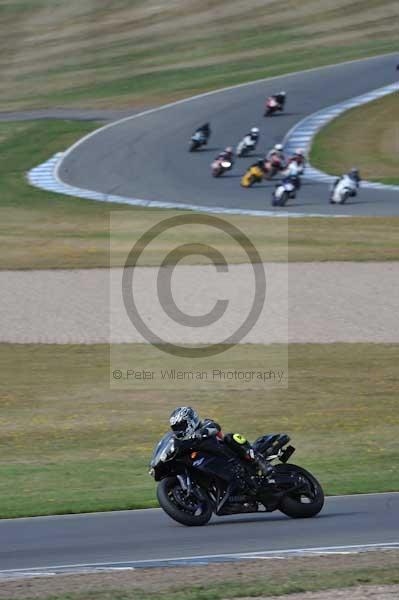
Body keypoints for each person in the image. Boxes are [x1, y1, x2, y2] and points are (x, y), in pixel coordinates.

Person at [169, 406, 273, 478]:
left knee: (231, 437)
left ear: (190, 421)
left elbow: (215, 427)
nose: (179, 430)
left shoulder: (205, 424)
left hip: (230, 456)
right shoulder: (187, 442)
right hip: (214, 467)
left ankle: (261, 462)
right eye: (176, 428)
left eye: (181, 426)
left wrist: (202, 433)